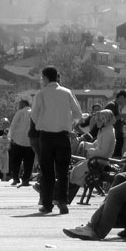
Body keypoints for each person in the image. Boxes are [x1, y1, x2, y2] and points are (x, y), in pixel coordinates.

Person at [30, 65, 83, 214]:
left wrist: (44, 121)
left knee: (47, 172)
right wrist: (67, 122)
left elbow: (34, 116)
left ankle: (47, 204)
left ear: (46, 78)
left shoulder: (41, 94)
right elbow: (78, 114)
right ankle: (62, 202)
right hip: (63, 136)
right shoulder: (67, 92)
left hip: (46, 137)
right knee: (63, 170)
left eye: (42, 78)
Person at [66, 110, 117, 201]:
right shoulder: (105, 130)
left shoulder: (107, 132)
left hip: (100, 161)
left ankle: (66, 197)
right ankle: (66, 196)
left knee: (76, 171)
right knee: (76, 170)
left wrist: (89, 151)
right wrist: (84, 144)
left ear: (104, 120)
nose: (96, 122)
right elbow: (96, 145)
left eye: (98, 120)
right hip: (97, 160)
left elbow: (103, 152)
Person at [7, 99, 34, 187]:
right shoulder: (34, 113)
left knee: (16, 161)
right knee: (28, 162)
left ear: (22, 105)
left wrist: (10, 138)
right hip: (30, 141)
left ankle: (15, 178)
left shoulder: (19, 113)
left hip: (18, 140)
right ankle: (25, 179)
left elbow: (13, 125)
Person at [104, 89, 126, 158]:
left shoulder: (118, 107)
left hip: (117, 135)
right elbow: (108, 119)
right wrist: (122, 116)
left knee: (117, 153)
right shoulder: (111, 106)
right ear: (121, 97)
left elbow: (116, 120)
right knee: (115, 155)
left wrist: (124, 122)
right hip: (113, 135)